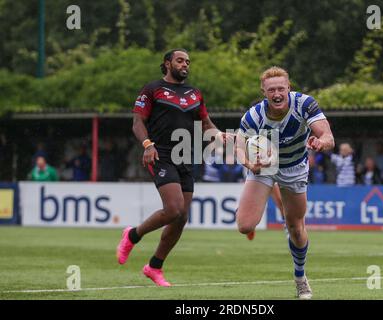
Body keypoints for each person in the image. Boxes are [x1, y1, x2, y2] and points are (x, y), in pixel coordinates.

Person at [116, 49, 230, 287]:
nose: (185, 64)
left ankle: (154, 267)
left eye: (188, 61)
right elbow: (137, 121)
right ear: (167, 63)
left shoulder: (194, 93)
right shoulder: (152, 89)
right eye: (180, 60)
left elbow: (206, 124)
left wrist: (221, 137)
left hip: (186, 156)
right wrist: (147, 145)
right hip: (160, 154)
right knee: (174, 209)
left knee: (181, 217)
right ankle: (132, 235)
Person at [235, 66, 334, 299]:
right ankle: (269, 200)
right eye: (271, 90)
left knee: (296, 229)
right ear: (264, 92)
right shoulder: (254, 116)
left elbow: (328, 136)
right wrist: (250, 165)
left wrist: (321, 143)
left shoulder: (304, 104)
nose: (277, 93)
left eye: (281, 88)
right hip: (265, 166)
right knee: (245, 226)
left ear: (289, 88)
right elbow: (238, 147)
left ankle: (300, 278)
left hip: (295, 168)